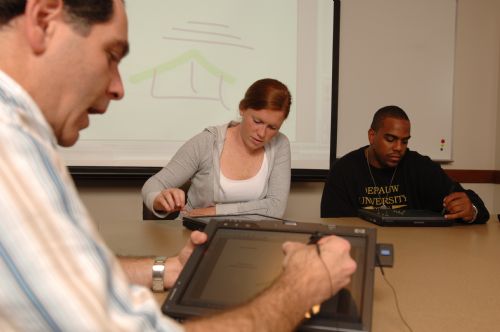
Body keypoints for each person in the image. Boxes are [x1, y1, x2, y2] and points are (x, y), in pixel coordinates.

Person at [0, 1, 356, 331]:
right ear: (44, 19)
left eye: (273, 127)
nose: (120, 88)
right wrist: (298, 290)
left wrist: (163, 268)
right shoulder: (10, 150)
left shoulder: (25, 139)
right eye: (111, 55)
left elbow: (69, 271)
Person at [142, 78, 292, 219]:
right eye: (257, 121)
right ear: (242, 108)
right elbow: (153, 185)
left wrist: (213, 212)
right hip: (195, 234)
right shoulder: (207, 142)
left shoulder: (280, 144)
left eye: (272, 127)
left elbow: (275, 208)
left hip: (251, 240)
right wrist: (159, 200)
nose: (262, 134)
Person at [321, 105, 489, 223]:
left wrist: (471, 210)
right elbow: (333, 225)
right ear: (372, 136)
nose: (399, 148)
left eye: (404, 141)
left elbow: (474, 204)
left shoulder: (419, 166)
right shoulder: (343, 170)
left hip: (415, 253)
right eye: (390, 139)